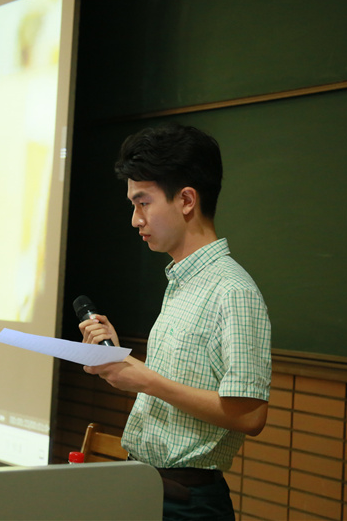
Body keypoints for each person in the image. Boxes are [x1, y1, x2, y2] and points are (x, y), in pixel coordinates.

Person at [79, 124, 272, 520]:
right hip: (145, 484)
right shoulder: (182, 281)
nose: (135, 219)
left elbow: (250, 415)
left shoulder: (232, 290)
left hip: (187, 502)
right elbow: (179, 389)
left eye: (143, 203)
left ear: (186, 200)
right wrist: (120, 362)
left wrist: (144, 378)